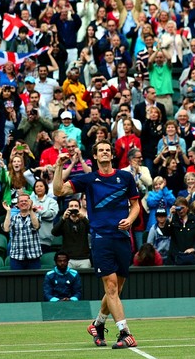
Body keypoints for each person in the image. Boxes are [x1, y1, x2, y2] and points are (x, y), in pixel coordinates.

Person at [53, 139, 140, 349]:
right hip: (101, 238)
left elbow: (135, 205)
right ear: (95, 156)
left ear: (111, 155)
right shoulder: (89, 179)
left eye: (107, 150)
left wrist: (130, 219)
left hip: (122, 239)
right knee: (110, 287)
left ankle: (97, 324)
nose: (104, 153)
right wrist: (58, 166)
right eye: (100, 150)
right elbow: (58, 191)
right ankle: (125, 333)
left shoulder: (125, 177)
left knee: (116, 290)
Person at [2, 193, 42, 270]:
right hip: (17, 257)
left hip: (33, 256)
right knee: (16, 281)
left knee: (34, 281)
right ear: (17, 204)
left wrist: (30, 210)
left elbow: (36, 226)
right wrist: (8, 211)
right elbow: (6, 229)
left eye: (26, 201)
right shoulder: (13, 218)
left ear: (30, 202)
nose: (23, 202)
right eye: (21, 201)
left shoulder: (36, 215)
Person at [165, 197, 195, 265]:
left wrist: (194, 248)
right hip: (176, 258)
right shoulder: (173, 221)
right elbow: (166, 232)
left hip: (193, 258)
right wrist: (171, 215)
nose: (180, 211)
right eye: (178, 208)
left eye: (182, 208)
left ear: (187, 208)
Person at [52, 199, 91, 269]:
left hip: (83, 259)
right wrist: (63, 219)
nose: (73, 208)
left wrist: (84, 219)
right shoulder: (64, 221)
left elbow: (92, 231)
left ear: (79, 208)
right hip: (68, 259)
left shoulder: (84, 221)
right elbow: (54, 233)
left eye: (76, 206)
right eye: (71, 206)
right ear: (68, 208)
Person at [30, 179, 59, 254]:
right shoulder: (29, 200)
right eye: (36, 186)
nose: (39, 188)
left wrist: (37, 211)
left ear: (45, 188)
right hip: (30, 238)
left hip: (45, 239)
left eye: (41, 186)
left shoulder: (52, 201)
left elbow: (51, 215)